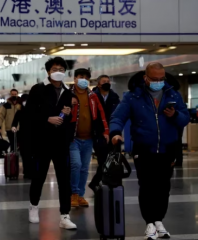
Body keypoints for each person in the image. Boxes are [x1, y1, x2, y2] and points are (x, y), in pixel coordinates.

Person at [110, 62, 189, 240]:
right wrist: (115, 133)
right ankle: (149, 223)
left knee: (163, 186)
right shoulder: (133, 97)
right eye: (154, 79)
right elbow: (118, 116)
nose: (158, 82)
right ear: (145, 77)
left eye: (162, 79)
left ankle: (159, 221)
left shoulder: (173, 94)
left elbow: (185, 119)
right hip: (143, 148)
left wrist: (175, 115)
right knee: (147, 185)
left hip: (167, 148)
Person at [25, 57, 76, 230]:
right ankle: (33, 206)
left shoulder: (68, 92)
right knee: (39, 177)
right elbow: (29, 115)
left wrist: (66, 115)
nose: (58, 71)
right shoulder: (38, 89)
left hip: (61, 142)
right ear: (48, 71)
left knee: (64, 179)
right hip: (42, 142)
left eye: (61, 68)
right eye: (55, 68)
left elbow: (68, 119)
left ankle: (65, 215)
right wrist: (47, 119)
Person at [69, 69, 109, 208]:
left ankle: (80, 195)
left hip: (89, 138)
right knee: (76, 165)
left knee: (85, 168)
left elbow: (101, 113)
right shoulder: (68, 95)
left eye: (86, 77)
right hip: (73, 138)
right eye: (81, 77)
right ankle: (73, 193)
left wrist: (106, 131)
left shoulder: (93, 96)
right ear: (74, 79)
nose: (84, 79)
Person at [89, 74, 120, 192]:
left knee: (109, 160)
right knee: (103, 160)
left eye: (108, 81)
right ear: (98, 84)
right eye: (104, 81)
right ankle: (97, 182)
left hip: (112, 132)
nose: (106, 83)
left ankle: (99, 182)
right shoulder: (93, 96)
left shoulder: (114, 97)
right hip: (99, 133)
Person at [11, 94, 33, 179]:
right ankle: (26, 171)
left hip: (33, 135)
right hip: (23, 135)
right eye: (24, 101)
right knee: (25, 154)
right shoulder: (19, 111)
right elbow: (14, 122)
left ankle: (31, 170)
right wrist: (13, 127)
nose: (25, 102)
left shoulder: (34, 110)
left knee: (32, 154)